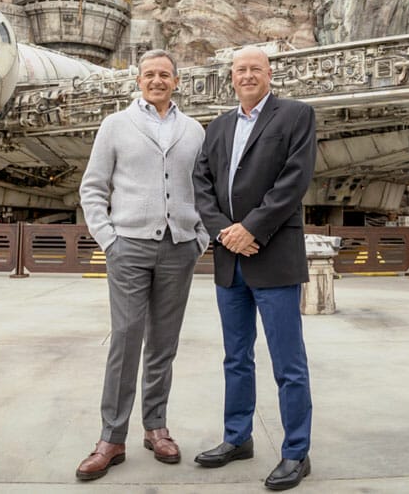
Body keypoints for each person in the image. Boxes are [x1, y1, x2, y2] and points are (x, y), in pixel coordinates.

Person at [76, 49, 209, 481]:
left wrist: (200, 238)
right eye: (149, 74)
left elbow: (205, 190)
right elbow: (93, 187)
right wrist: (109, 240)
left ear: (176, 81)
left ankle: (156, 427)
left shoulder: (194, 131)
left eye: (164, 74)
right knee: (126, 339)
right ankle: (112, 437)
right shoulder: (115, 125)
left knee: (163, 344)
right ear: (138, 80)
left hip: (179, 247)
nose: (157, 80)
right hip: (129, 247)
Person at [192, 46, 316, 491]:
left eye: (255, 69)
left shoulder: (296, 115)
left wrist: (252, 228)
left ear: (269, 74)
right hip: (230, 260)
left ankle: (296, 452)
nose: (247, 75)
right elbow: (201, 184)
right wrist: (225, 232)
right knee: (236, 357)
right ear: (231, 77)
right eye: (240, 69)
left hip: (274, 256)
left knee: (288, 362)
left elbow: (294, 180)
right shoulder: (218, 126)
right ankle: (237, 437)